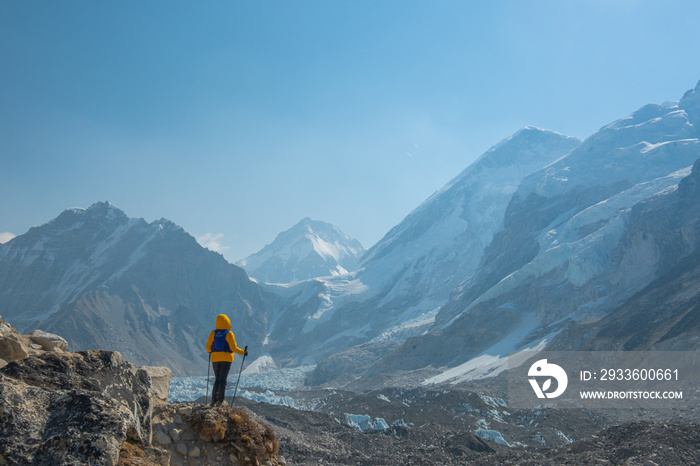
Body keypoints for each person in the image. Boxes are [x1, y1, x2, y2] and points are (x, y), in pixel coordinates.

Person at [205, 314, 247, 406]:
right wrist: (243, 352)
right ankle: (220, 400)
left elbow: (208, 348)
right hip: (226, 359)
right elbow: (233, 348)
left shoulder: (213, 333)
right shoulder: (229, 334)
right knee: (223, 380)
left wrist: (213, 351)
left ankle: (213, 400)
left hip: (215, 359)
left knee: (217, 379)